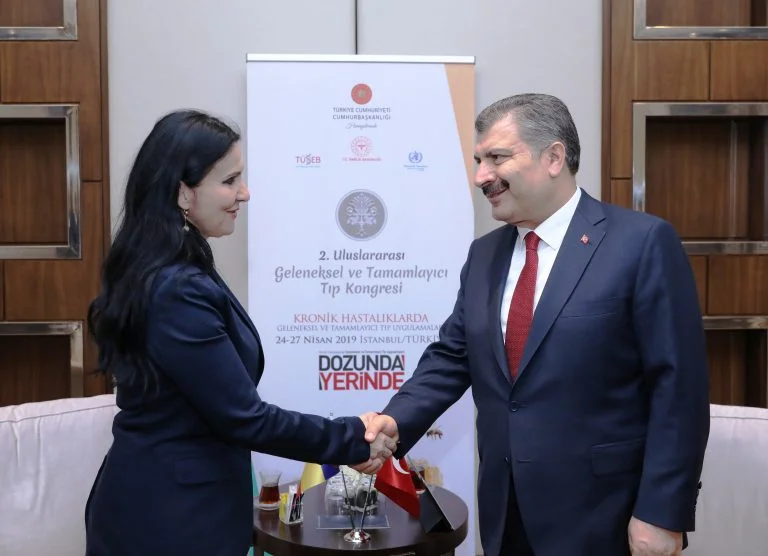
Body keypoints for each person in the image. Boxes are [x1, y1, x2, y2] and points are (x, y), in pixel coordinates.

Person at [358, 94, 710, 556]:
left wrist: (662, 512)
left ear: (554, 158)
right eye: (479, 160)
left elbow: (679, 390)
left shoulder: (641, 243)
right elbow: (451, 357)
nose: (481, 176)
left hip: (605, 516)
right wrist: (394, 422)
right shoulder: (484, 255)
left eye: (497, 157)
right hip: (506, 513)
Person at [84, 109, 395, 556]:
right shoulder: (175, 287)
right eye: (230, 180)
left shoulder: (174, 266)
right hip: (169, 519)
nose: (244, 193)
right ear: (183, 192)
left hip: (177, 504)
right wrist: (350, 438)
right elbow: (244, 417)